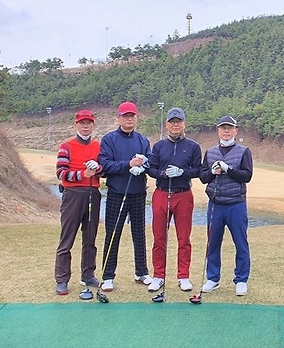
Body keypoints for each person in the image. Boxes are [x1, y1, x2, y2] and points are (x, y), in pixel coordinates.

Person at [146, 107, 203, 292]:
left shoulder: (193, 146)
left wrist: (182, 172)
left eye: (179, 121)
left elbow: (198, 170)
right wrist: (163, 173)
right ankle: (158, 275)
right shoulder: (159, 146)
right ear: (167, 125)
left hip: (183, 194)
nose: (175, 125)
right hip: (162, 193)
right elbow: (151, 169)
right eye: (172, 122)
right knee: (159, 237)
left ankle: (183, 276)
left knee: (184, 238)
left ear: (184, 124)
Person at [97, 101, 153, 291]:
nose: (129, 119)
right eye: (125, 116)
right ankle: (107, 275)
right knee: (113, 234)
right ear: (119, 118)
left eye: (132, 116)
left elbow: (150, 161)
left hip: (138, 193)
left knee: (139, 234)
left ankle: (141, 272)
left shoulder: (142, 140)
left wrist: (144, 165)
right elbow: (105, 165)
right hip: (117, 193)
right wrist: (127, 164)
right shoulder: (109, 139)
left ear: (136, 118)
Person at [198, 115, 254, 296]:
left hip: (236, 204)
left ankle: (241, 279)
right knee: (213, 243)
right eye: (223, 128)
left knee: (240, 242)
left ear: (236, 131)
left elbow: (247, 176)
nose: (226, 131)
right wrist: (213, 172)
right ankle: (213, 278)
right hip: (215, 204)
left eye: (230, 128)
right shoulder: (211, 151)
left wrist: (229, 169)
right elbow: (203, 177)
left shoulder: (244, 151)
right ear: (218, 131)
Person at [54, 110, 103, 296]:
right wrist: (82, 174)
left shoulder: (98, 146)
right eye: (82, 123)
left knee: (90, 238)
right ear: (75, 125)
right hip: (73, 195)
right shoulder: (66, 146)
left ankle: (88, 274)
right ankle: (62, 279)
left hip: (93, 193)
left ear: (93, 125)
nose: (85, 126)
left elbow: (103, 170)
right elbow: (61, 173)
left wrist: (97, 168)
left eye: (89, 122)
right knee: (67, 239)